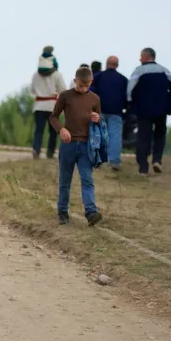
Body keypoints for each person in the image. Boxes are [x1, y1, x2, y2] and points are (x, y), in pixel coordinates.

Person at [50, 67, 103, 226]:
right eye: (80, 85)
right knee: (65, 181)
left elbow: (99, 122)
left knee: (87, 180)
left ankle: (91, 212)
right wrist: (61, 129)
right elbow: (53, 117)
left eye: (86, 86)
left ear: (91, 82)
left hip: (86, 146)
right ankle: (62, 211)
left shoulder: (95, 99)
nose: (83, 89)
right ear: (75, 81)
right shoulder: (65, 96)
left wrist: (97, 119)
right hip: (68, 145)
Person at [127, 47, 171, 176]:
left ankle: (143, 167)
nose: (139, 59)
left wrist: (131, 104)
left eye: (141, 56)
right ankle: (157, 160)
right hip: (161, 109)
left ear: (146, 57)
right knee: (160, 135)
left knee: (143, 136)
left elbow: (130, 90)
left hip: (143, 110)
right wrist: (169, 102)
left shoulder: (138, 71)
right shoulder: (165, 71)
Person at [91, 56, 128, 170]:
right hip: (116, 111)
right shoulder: (123, 79)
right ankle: (115, 161)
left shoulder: (98, 77)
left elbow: (91, 92)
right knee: (115, 136)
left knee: (97, 135)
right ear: (117, 65)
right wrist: (126, 107)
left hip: (99, 110)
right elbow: (127, 96)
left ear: (106, 64)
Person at [30, 46, 67, 159]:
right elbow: (63, 90)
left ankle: (36, 150)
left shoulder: (36, 75)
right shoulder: (57, 74)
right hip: (52, 106)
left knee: (39, 130)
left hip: (39, 106)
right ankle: (50, 152)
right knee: (53, 131)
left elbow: (32, 90)